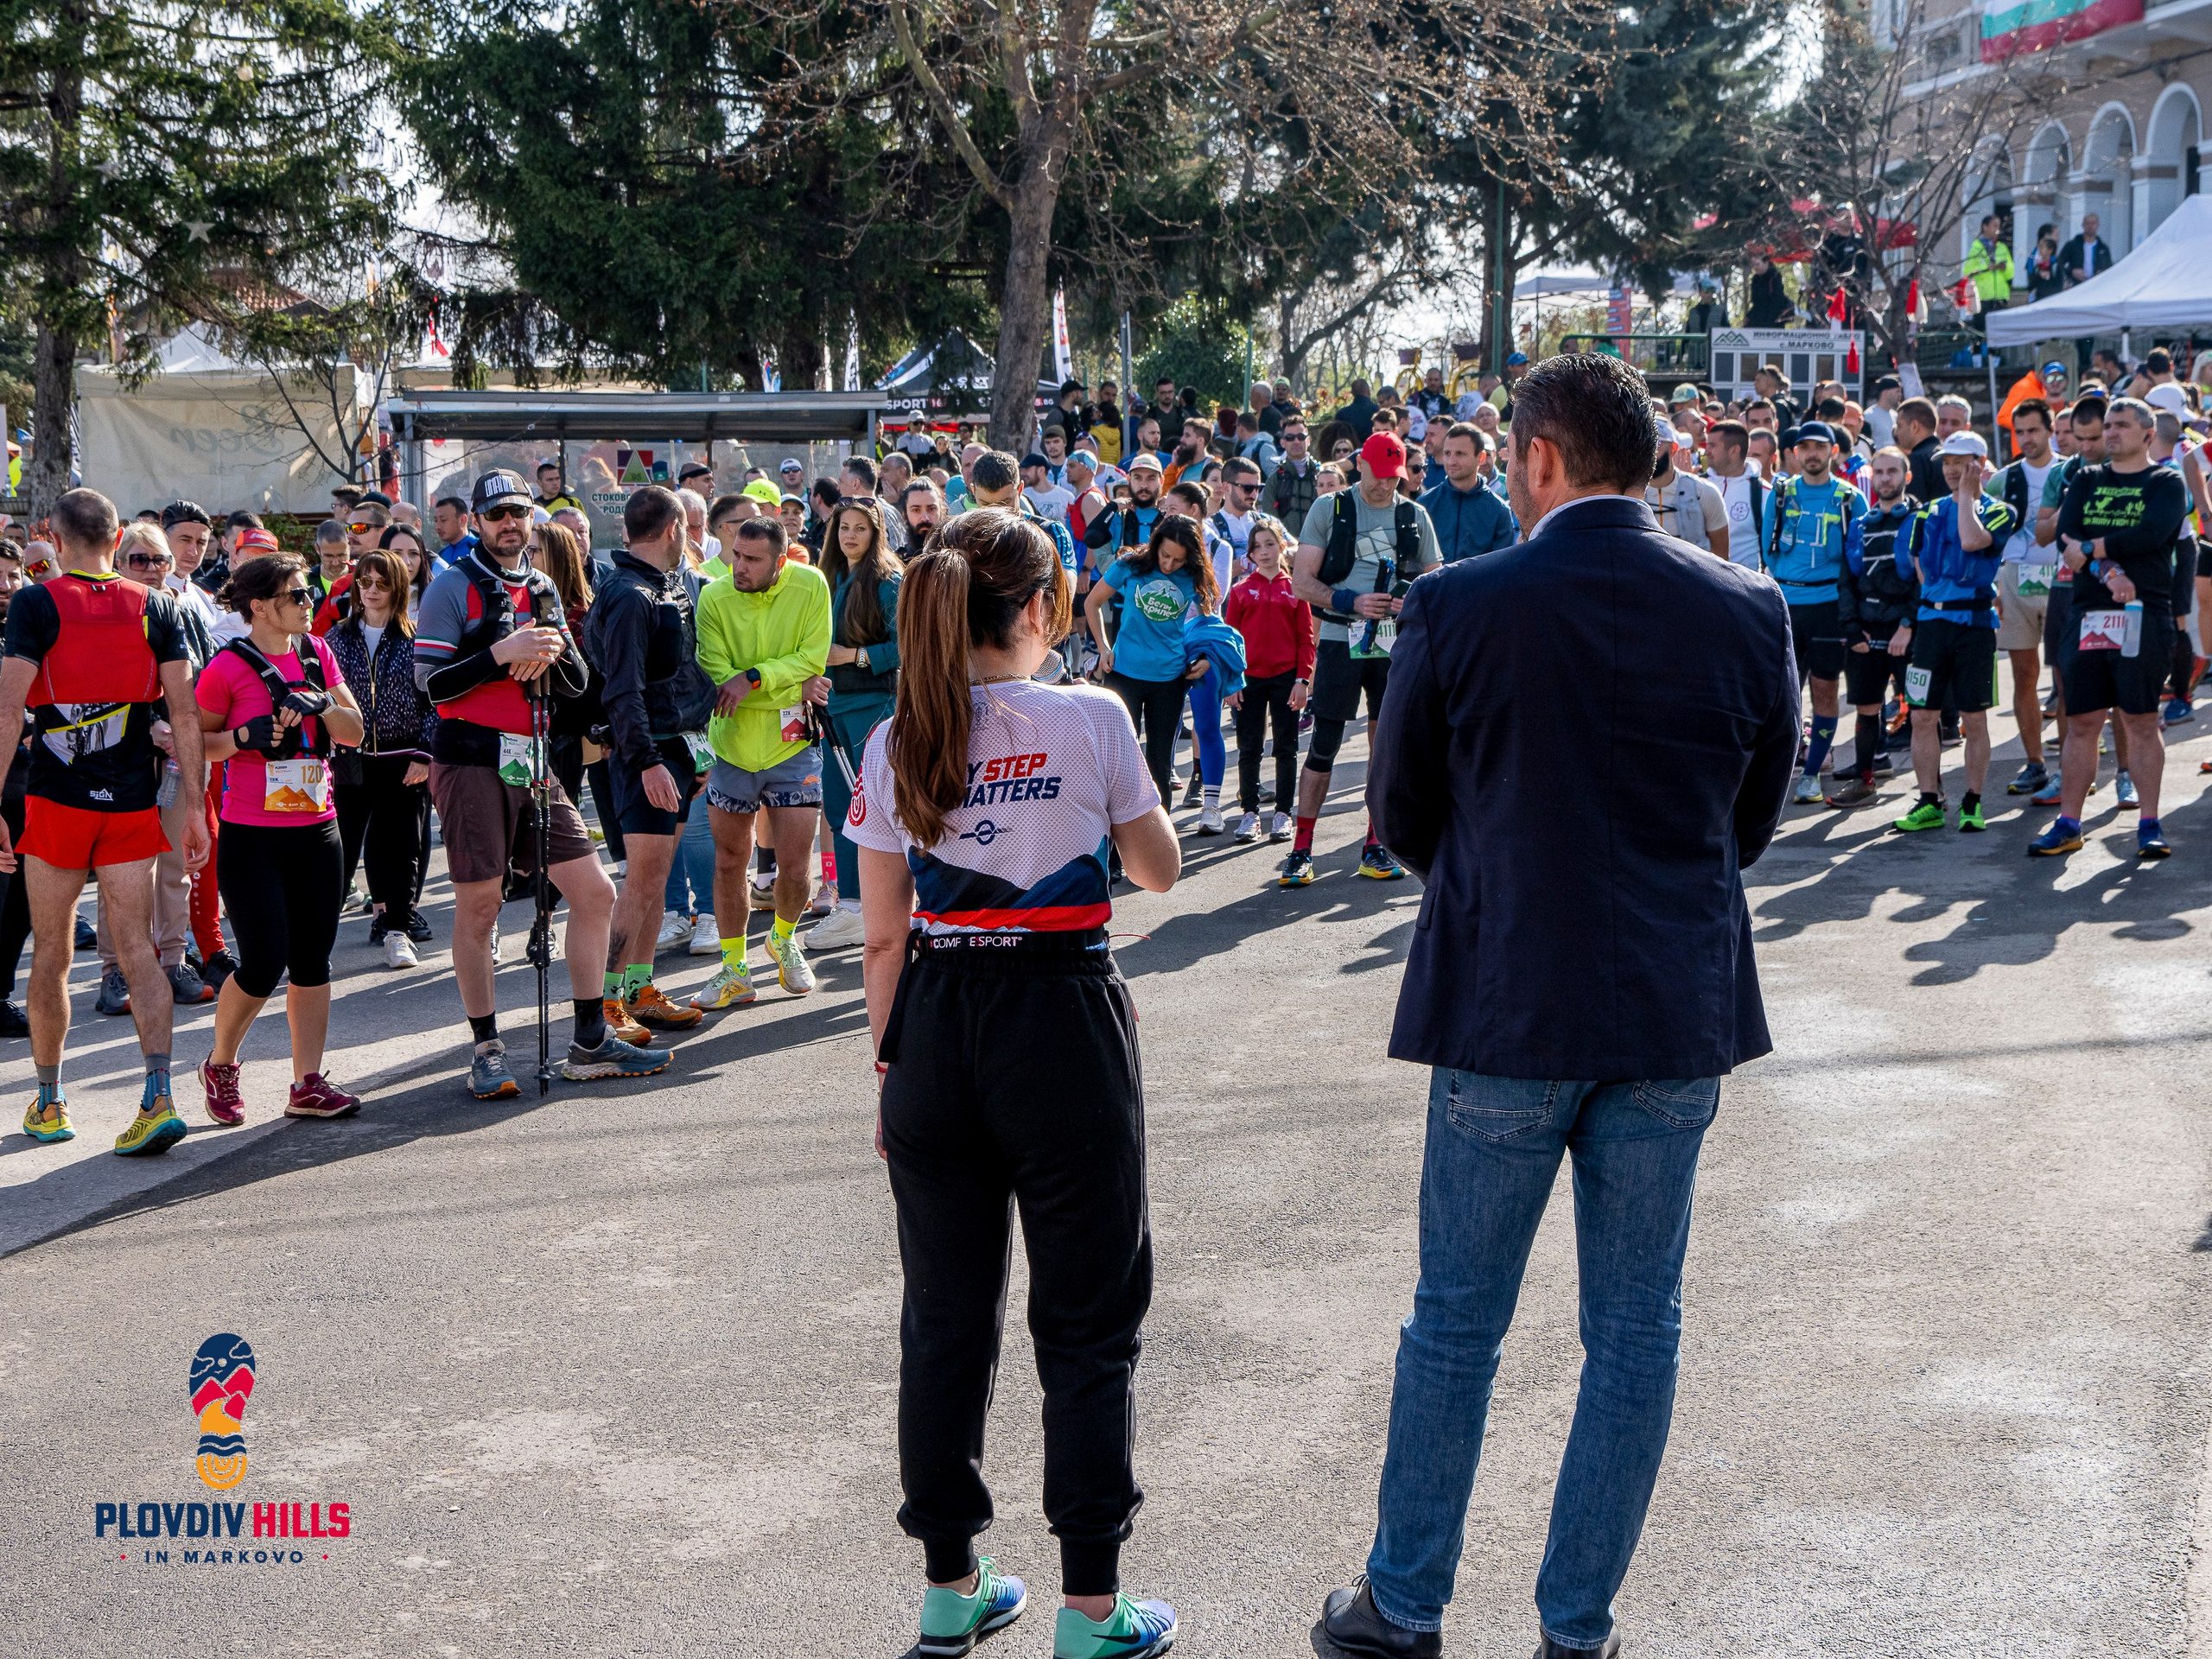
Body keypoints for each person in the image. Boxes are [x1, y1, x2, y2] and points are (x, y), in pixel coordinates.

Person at [1322, 350, 1795, 1659]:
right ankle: (1575, 1630)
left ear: (1535, 459)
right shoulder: (1747, 603)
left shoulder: (1462, 602)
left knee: (1457, 1325)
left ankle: (1404, 1606)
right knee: (1634, 1335)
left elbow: (1403, 811)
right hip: (1668, 998)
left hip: (1510, 997)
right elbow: (1751, 818)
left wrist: (1497, 881)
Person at [849, 506, 1182, 1659]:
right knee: (1088, 1325)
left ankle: (953, 1585)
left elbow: (881, 940)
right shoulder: (1092, 716)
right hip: (1062, 1020)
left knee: (944, 1322)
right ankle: (1092, 1610)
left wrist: (892, 1073)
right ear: (1038, 612)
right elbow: (1161, 870)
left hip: (935, 1024)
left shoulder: (898, 739)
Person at [415, 470, 667, 1096]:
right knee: (479, 907)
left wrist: (556, 651)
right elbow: (430, 684)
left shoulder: (545, 585)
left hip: (531, 759)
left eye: (520, 512)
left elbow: (580, 685)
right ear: (475, 521)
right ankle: (487, 1046)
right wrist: (502, 654)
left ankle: (587, 1039)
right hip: (469, 758)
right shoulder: (453, 587)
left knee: (594, 892)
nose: (510, 523)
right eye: (497, 513)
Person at [0, 488, 209, 1153]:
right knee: (141, 951)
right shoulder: (158, 604)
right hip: (129, 806)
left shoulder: (35, 602)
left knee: (53, 955)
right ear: (118, 540)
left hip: (55, 806)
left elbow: (7, 713)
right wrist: (198, 805)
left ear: (54, 541)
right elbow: (184, 713)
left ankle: (51, 1102)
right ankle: (158, 1097)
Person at [191, 552, 368, 1123]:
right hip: (252, 835)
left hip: (318, 829)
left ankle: (307, 1082)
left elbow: (356, 730)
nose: (307, 604)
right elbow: (196, 744)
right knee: (264, 960)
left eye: (308, 595)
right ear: (260, 606)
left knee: (313, 959)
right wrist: (241, 736)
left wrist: (323, 702)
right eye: (296, 596)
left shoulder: (318, 654)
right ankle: (220, 1062)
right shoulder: (226, 668)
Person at [584, 485, 715, 1042]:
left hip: (678, 748)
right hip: (649, 756)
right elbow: (622, 690)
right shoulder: (629, 594)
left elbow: (679, 674)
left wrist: (697, 746)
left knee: (656, 880)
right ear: (673, 530)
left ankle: (639, 989)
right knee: (639, 883)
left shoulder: (664, 585)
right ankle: (608, 1001)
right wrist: (646, 763)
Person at [2035, 397, 2190, 857]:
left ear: (2147, 435)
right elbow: (2068, 538)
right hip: (2088, 613)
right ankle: (2069, 822)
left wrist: (2097, 549)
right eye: (2108, 426)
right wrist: (2111, 572)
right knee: (2081, 721)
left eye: (2121, 425)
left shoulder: (2166, 481)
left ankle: (2149, 822)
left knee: (2140, 720)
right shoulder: (2085, 478)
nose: (2111, 433)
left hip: (2144, 617)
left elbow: (2152, 534)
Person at [1286, 431, 1441, 884]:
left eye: (1396, 477)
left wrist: (1407, 598)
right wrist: (1348, 600)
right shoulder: (1329, 508)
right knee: (1324, 745)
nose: (1387, 486)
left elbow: (1435, 581)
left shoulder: (1415, 515)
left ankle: (1375, 845)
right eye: (1380, 476)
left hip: (1393, 644)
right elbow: (1301, 582)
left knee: (1385, 746)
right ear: (1362, 466)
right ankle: (1301, 849)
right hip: (1339, 639)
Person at [690, 516, 833, 1007]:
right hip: (730, 748)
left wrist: (751, 679)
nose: (739, 568)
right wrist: (790, 689)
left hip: (794, 747)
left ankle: (784, 938)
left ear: (781, 558)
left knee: (794, 869)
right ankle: (733, 967)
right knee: (731, 862)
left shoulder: (811, 584)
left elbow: (813, 661)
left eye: (753, 560)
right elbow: (714, 674)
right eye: (736, 555)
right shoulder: (713, 597)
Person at [1888, 433, 2015, 834]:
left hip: (1975, 627)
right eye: (1946, 463)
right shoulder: (1926, 512)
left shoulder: (1999, 511)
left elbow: (1971, 539)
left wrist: (1966, 496)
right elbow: (1916, 565)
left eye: (1959, 462)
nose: (1950, 470)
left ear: (1979, 463)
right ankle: (1928, 801)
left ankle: (1973, 802)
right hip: (1933, 627)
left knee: (1973, 719)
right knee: (1923, 716)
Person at [326, 547, 435, 967]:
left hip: (404, 758)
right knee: (339, 850)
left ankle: (398, 931)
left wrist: (425, 754)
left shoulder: (416, 639)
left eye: (381, 583)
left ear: (398, 589)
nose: (371, 590)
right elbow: (323, 699)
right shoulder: (336, 638)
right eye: (365, 582)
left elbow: (434, 705)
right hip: (349, 761)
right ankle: (316, 939)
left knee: (401, 848)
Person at [812, 494, 902, 952]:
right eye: (843, 527)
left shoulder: (889, 581)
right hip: (831, 708)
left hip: (874, 707)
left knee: (876, 809)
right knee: (839, 807)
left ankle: (874, 906)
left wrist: (854, 656)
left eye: (860, 528)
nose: (850, 535)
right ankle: (850, 905)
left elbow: (907, 646)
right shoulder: (826, 577)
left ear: (877, 533)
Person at [1084, 513, 1217, 810]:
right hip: (1123, 674)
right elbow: (1091, 602)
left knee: (1159, 764)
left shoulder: (1195, 577)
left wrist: (1208, 658)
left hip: (1169, 680)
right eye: (1165, 555)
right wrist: (1104, 647)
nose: (1169, 565)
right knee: (1121, 762)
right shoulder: (1130, 565)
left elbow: (1213, 625)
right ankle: (1118, 848)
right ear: (1156, 544)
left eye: (1178, 560)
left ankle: (1160, 844)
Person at [1764, 420, 1866, 805]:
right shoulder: (1780, 494)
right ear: (1794, 452)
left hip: (1828, 605)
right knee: (1783, 696)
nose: (1811, 454)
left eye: (1819, 447)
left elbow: (1859, 558)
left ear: (1832, 452)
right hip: (1787, 602)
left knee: (1825, 691)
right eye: (1804, 447)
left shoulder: (1850, 497)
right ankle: (1778, 773)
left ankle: (1811, 775)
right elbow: (1768, 550)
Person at [1825, 448, 1921, 809]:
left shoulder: (1920, 520)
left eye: (1892, 471)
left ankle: (1933, 793)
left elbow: (1925, 581)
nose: (1884, 478)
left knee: (1923, 715)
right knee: (1867, 710)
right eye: (1878, 471)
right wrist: (1851, 628)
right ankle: (1865, 782)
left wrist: (1908, 626)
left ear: (1906, 477)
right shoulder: (1861, 524)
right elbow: (1846, 580)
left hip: (1906, 635)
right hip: (1866, 635)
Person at [1222, 515, 1311, 842]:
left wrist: (1303, 680)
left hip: (1287, 678)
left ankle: (1284, 814)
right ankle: (1249, 813)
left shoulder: (1296, 589)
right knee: (1249, 748)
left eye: (1269, 544)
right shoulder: (1241, 590)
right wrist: (1231, 682)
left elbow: (1306, 638)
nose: (1263, 551)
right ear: (1249, 554)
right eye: (1256, 547)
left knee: (1286, 747)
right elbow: (1230, 641)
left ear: (1281, 546)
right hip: (1249, 680)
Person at [1993, 399, 2059, 795]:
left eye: (2033, 430)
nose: (2026, 439)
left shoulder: (2071, 471)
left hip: (2063, 579)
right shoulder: (2003, 478)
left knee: (2067, 679)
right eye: (2020, 432)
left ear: (2050, 430)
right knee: (2024, 675)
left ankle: (2069, 763)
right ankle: (2034, 762)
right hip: (2016, 579)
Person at [1421, 423, 1518, 562]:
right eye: (1447, 453)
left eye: (1460, 454)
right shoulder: (1425, 504)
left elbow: (1501, 567)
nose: (1451, 461)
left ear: (1481, 458)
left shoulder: (1498, 511)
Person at [1646, 418, 1729, 558]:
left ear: (1673, 449)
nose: (1649, 450)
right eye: (1644, 443)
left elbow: (1721, 558)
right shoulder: (1628, 494)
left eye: (1657, 443)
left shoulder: (1704, 492)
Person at [1702, 419, 1765, 568]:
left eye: (1712, 445)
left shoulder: (1763, 492)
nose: (1706, 452)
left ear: (1734, 451)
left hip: (1745, 586)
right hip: (1702, 582)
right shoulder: (1698, 486)